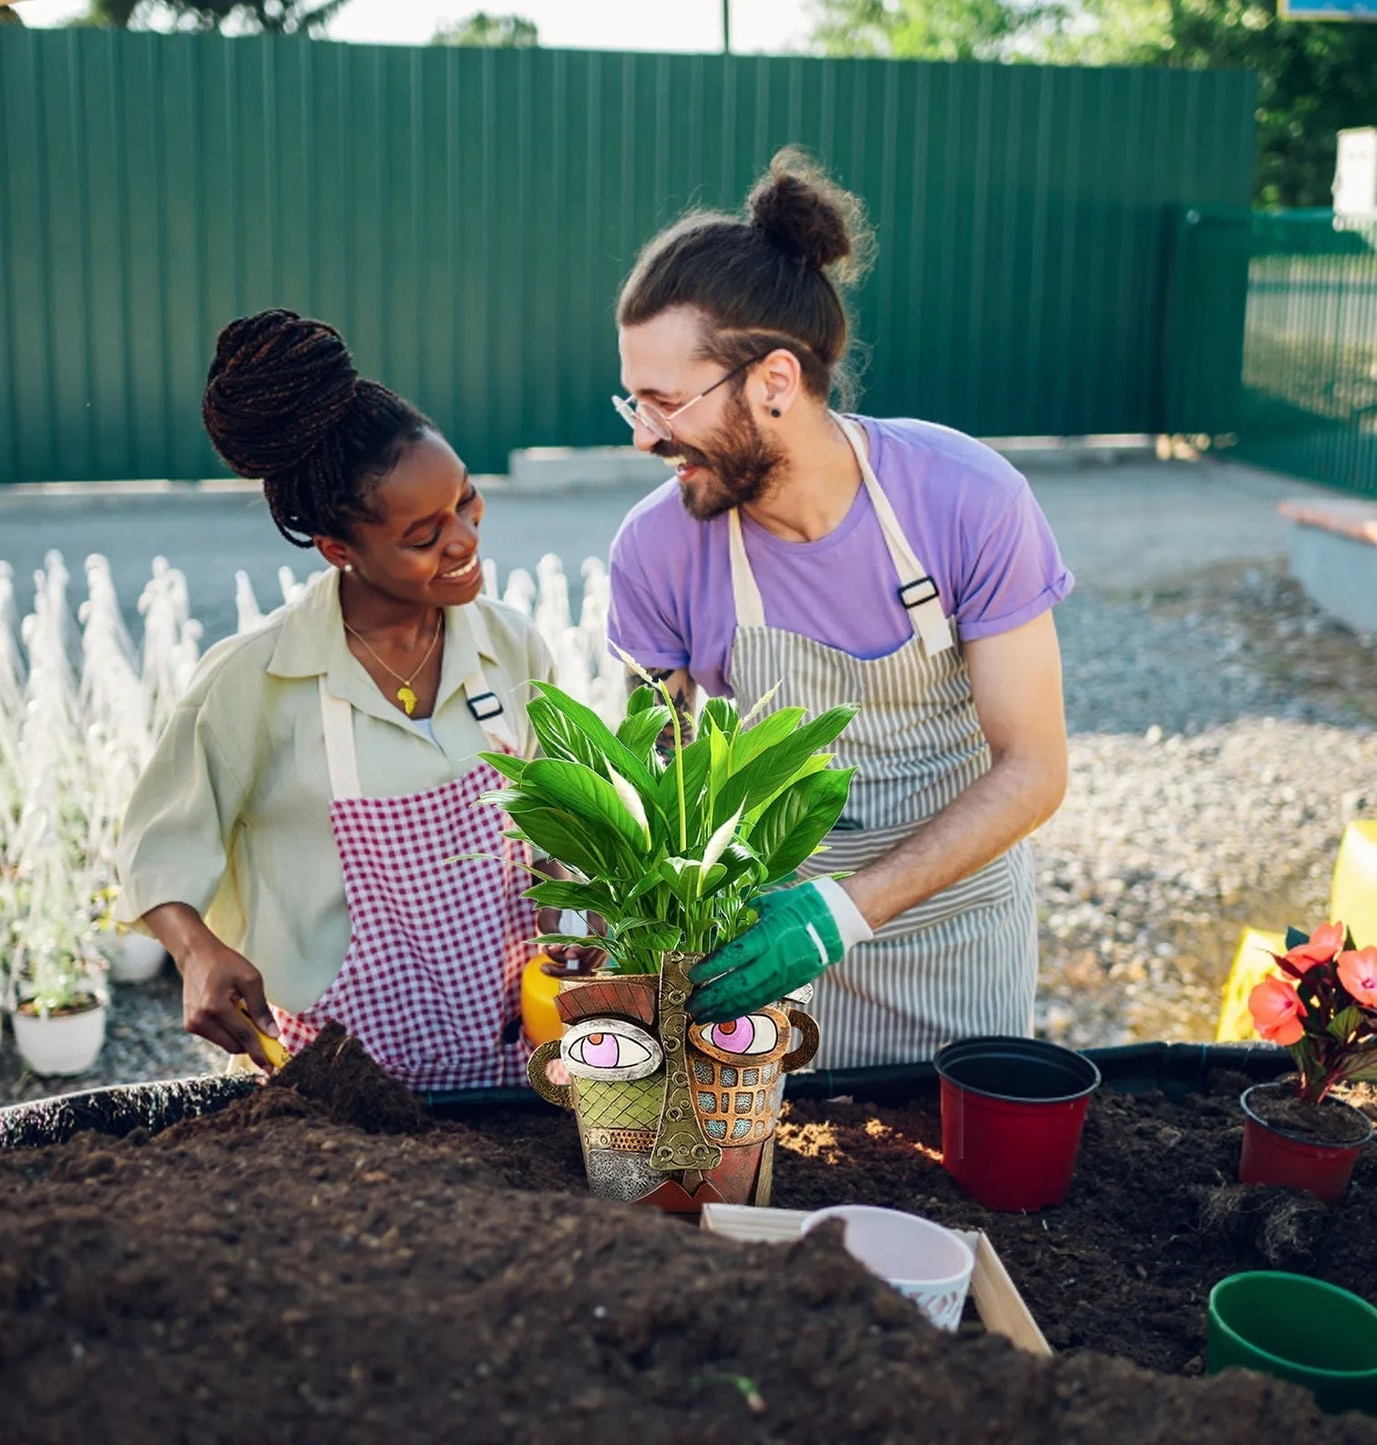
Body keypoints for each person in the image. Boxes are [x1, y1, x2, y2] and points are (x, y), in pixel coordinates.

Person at [606, 149, 1073, 1068]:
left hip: (959, 937)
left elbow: (1033, 769)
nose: (643, 438)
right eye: (634, 402)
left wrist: (842, 912)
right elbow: (654, 782)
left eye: (665, 404)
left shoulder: (965, 499)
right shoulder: (656, 549)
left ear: (774, 382)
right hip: (767, 962)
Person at [115, 308, 587, 1088]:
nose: (465, 539)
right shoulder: (254, 681)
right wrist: (197, 952)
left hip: (510, 1072)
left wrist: (574, 912)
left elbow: (557, 828)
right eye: (423, 535)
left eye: (466, 501)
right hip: (334, 1092)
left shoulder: (511, 649)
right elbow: (157, 848)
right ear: (340, 550)